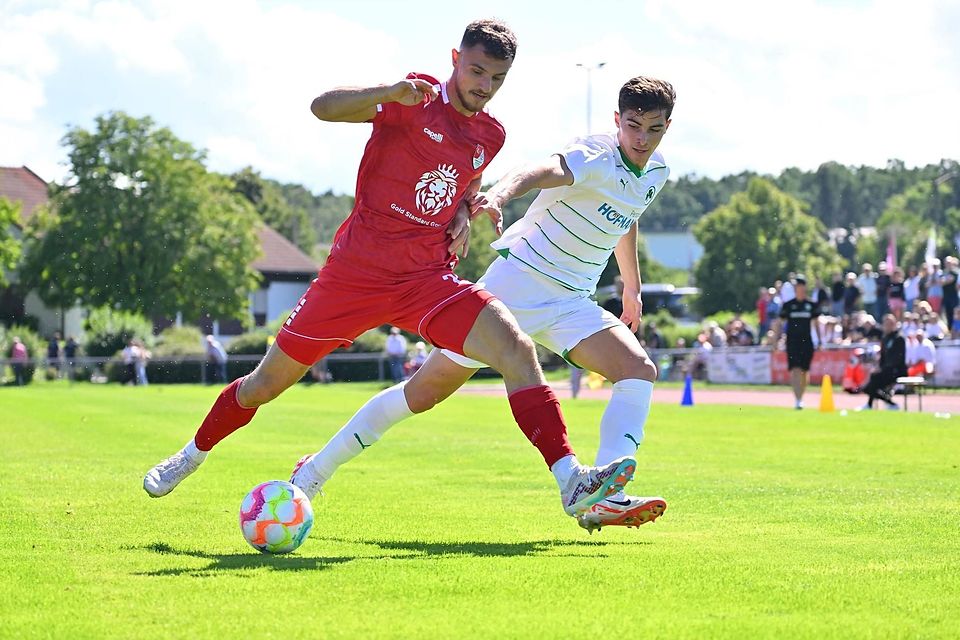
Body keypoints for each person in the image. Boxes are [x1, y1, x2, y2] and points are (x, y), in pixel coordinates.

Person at [144, 20, 636, 521]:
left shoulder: (491, 134)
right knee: (262, 387)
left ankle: (571, 480)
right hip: (351, 279)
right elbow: (322, 108)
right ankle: (193, 453)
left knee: (515, 348)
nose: (484, 86)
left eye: (497, 78)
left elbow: (464, 185)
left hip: (425, 280)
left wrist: (466, 212)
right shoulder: (412, 98)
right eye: (476, 71)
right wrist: (389, 92)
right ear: (455, 58)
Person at [288, 75, 676, 532]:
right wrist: (498, 195)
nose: (641, 138)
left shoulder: (656, 171)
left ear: (667, 126)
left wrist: (631, 285)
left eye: (654, 129)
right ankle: (313, 471)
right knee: (422, 393)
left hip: (571, 300)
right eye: (633, 125)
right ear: (617, 120)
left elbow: (626, 214)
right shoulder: (595, 155)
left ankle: (603, 496)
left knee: (638, 371)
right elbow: (537, 171)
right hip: (515, 286)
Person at [778, 274, 822, 410]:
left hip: (806, 341)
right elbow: (779, 323)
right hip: (792, 341)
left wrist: (820, 340)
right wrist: (776, 339)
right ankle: (797, 400)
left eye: (799, 285)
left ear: (803, 286)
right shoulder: (788, 305)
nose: (797, 288)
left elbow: (816, 323)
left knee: (804, 371)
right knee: (795, 369)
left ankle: (801, 396)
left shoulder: (811, 305)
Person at [858, 314, 907, 411]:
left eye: (889, 324)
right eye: (885, 324)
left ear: (894, 324)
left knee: (873, 382)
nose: (887, 326)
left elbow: (897, 359)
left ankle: (871, 405)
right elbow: (883, 358)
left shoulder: (899, 338)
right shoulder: (885, 338)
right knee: (869, 385)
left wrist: (882, 369)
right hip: (886, 370)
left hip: (896, 371)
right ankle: (889, 403)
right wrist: (879, 367)